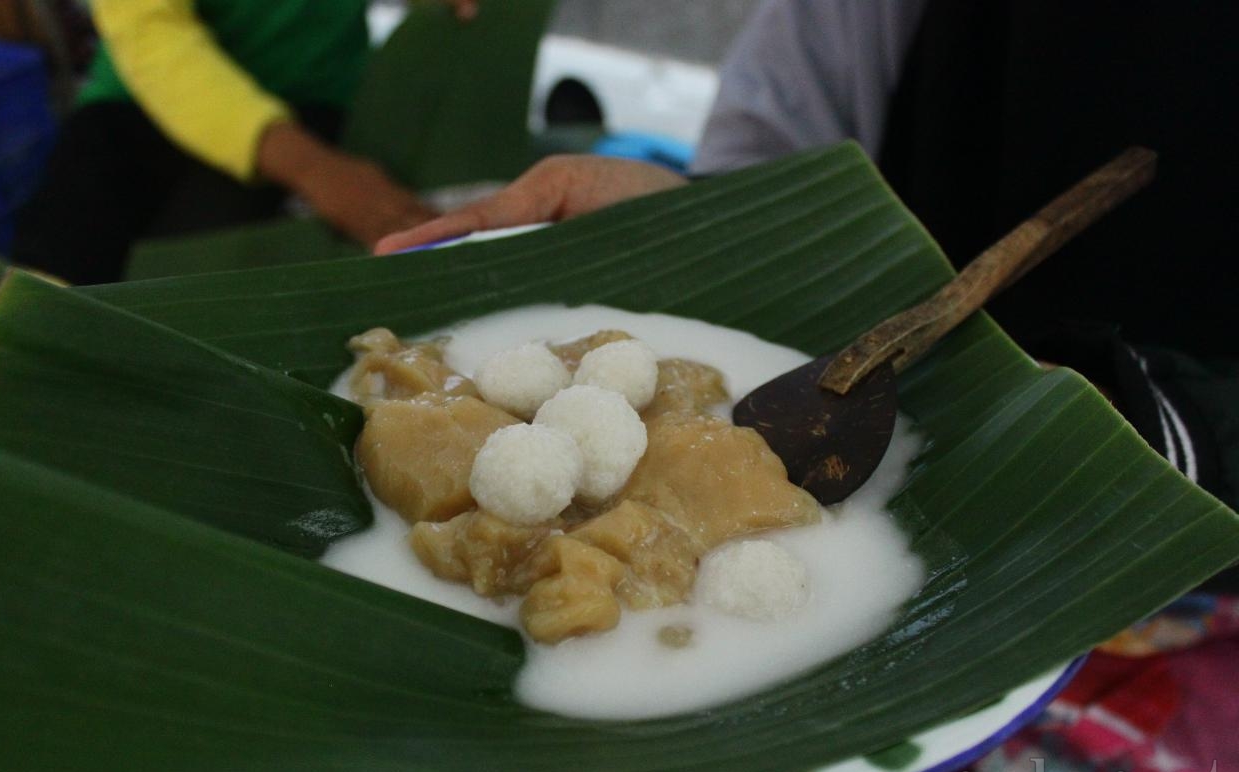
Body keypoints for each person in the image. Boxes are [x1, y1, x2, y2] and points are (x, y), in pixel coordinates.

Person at [377, 0, 1238, 520]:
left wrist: (1156, 421)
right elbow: (783, 147)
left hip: (1179, 546)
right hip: (873, 429)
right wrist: (714, 228)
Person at [12, 0, 478, 285]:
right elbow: (152, 36)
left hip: (308, 96)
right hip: (140, 98)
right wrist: (316, 170)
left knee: (201, 274)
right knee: (51, 270)